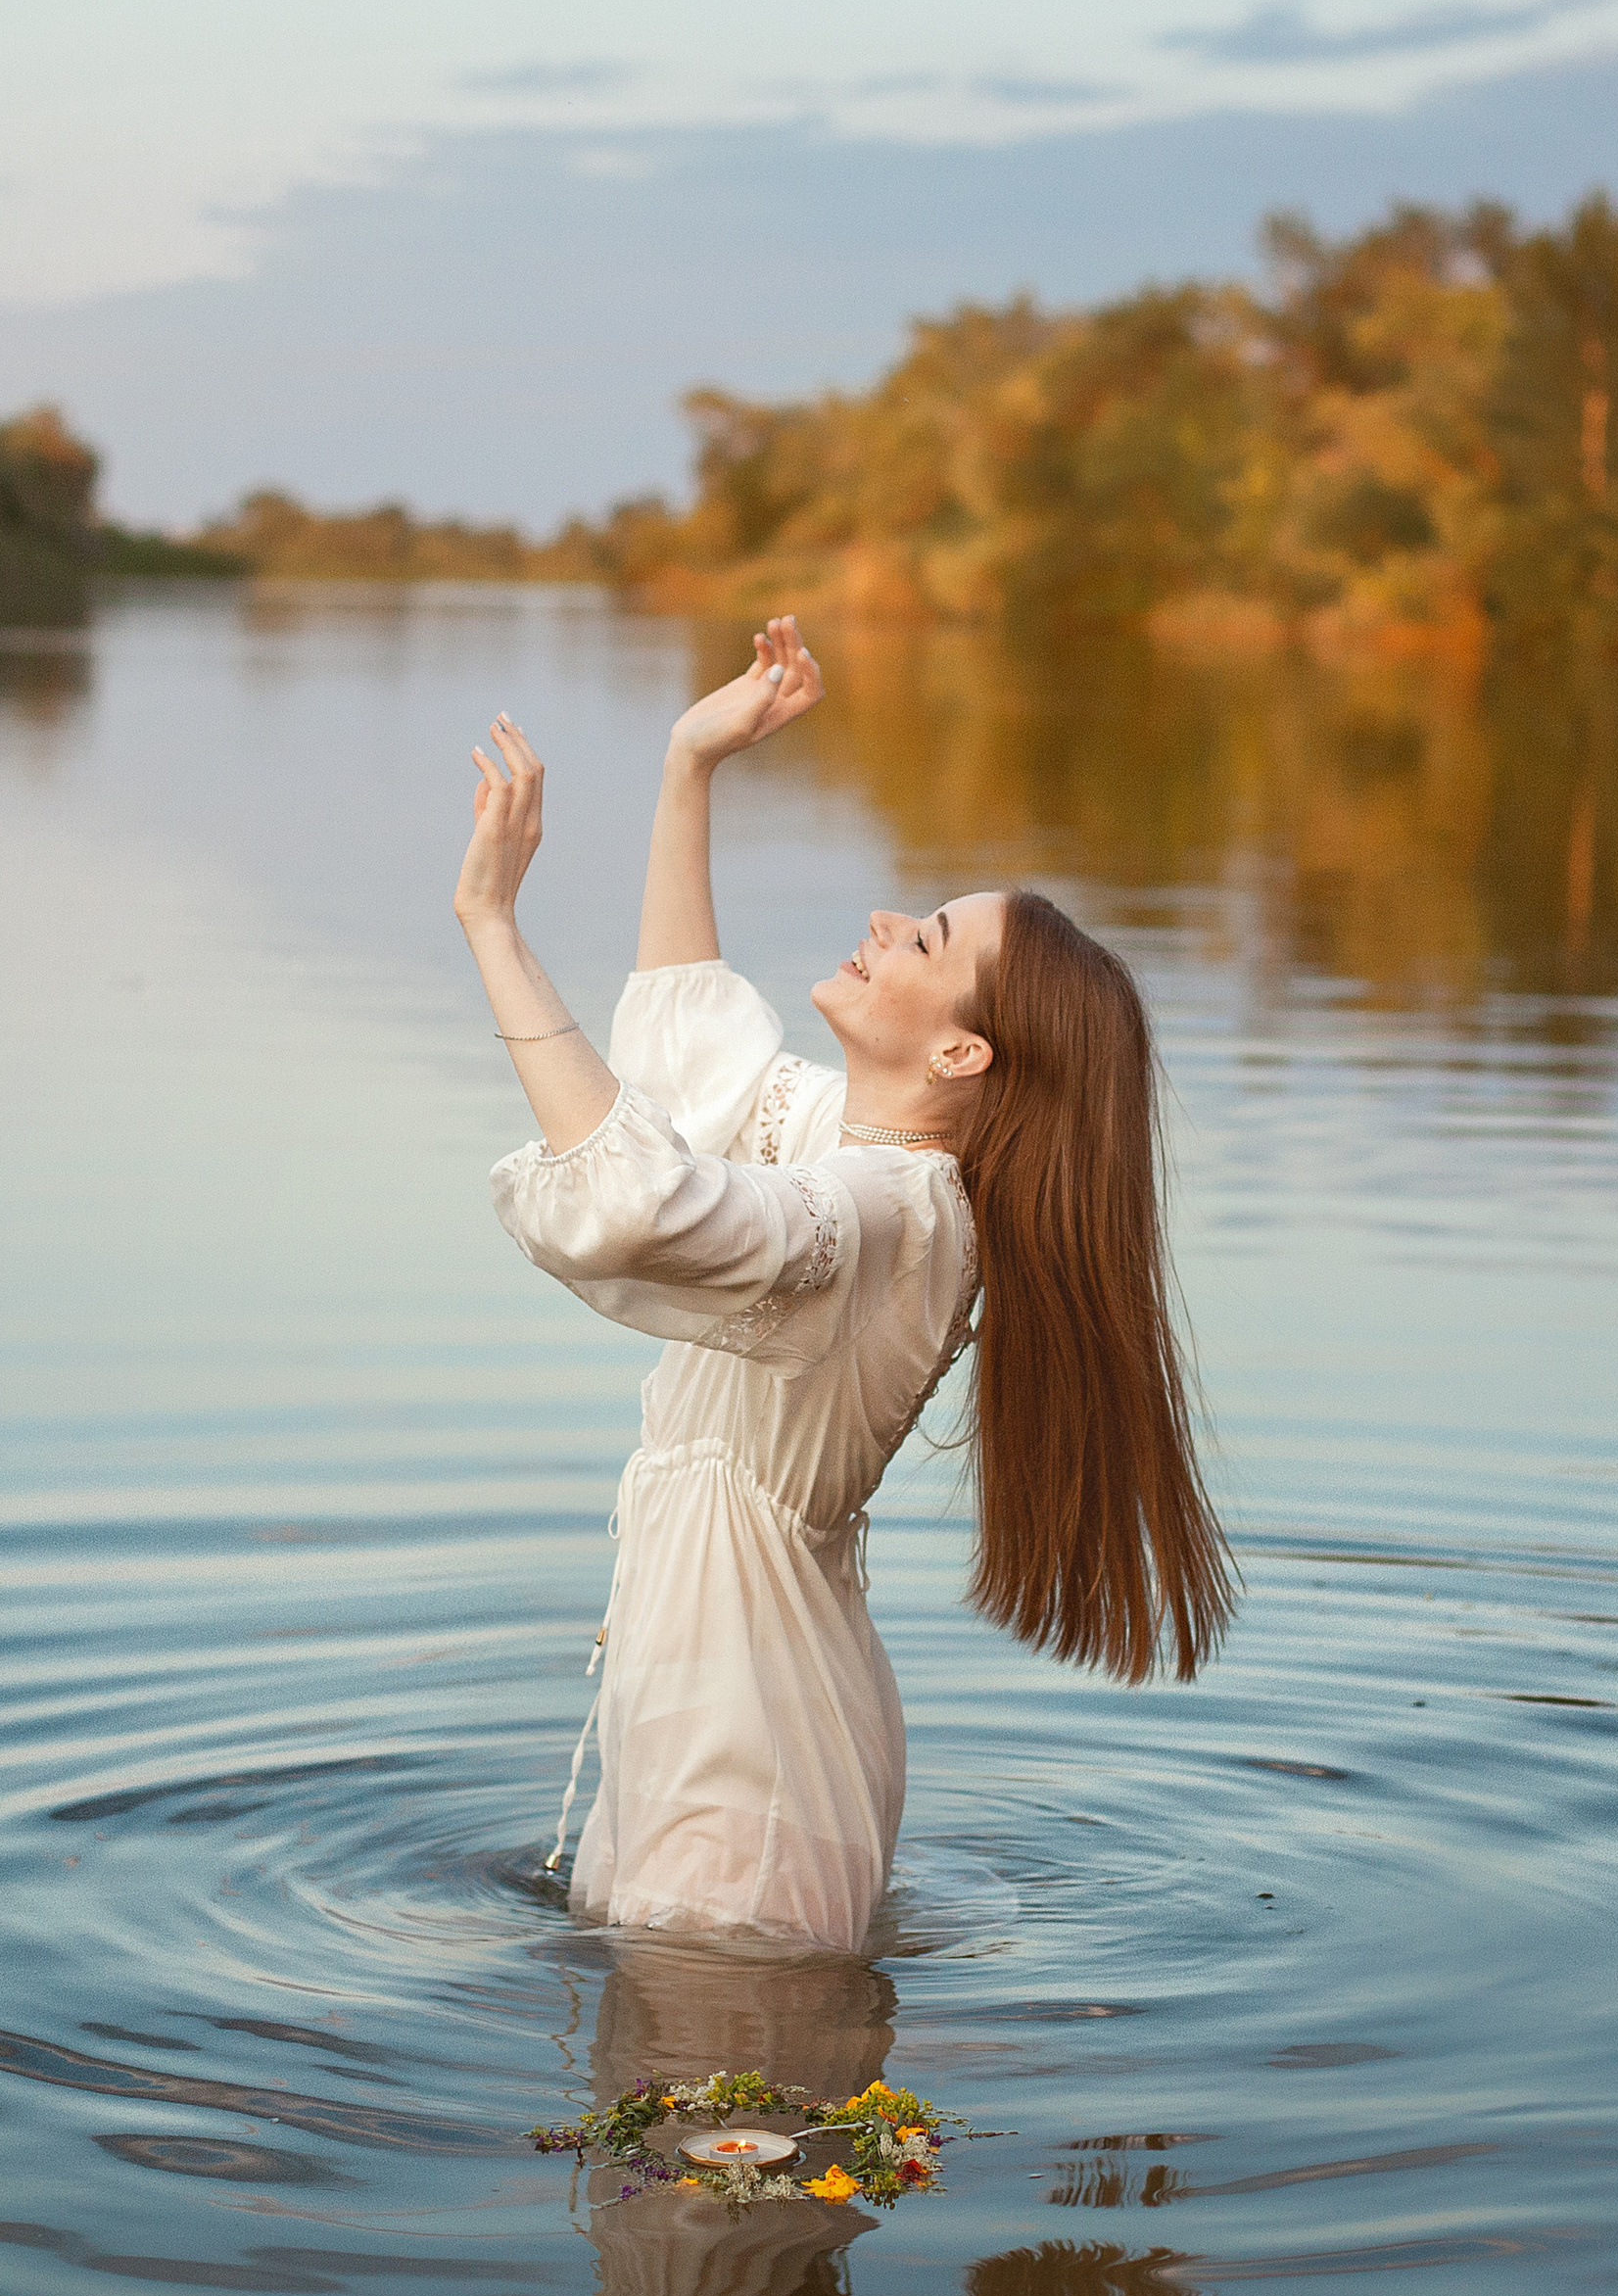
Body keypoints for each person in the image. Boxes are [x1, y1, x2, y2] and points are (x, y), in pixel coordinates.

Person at [453, 616, 1233, 1953]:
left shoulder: (895, 1218)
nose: (885, 920)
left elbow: (641, 1200)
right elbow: (697, 1058)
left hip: (747, 1742)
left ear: (965, 1054)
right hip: (728, 1698)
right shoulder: (863, 1159)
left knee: (718, 2143)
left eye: (924, 939)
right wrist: (689, 766)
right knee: (712, 2137)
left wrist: (491, 925)